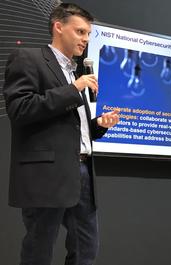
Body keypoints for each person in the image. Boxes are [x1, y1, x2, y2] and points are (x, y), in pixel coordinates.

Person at [3, 3, 120, 265]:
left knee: (86, 248)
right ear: (58, 27)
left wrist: (98, 123)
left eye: (88, 34)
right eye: (80, 32)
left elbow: (69, 122)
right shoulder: (28, 59)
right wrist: (74, 88)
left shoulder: (75, 70)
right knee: (39, 248)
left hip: (82, 171)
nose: (85, 39)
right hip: (47, 173)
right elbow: (20, 109)